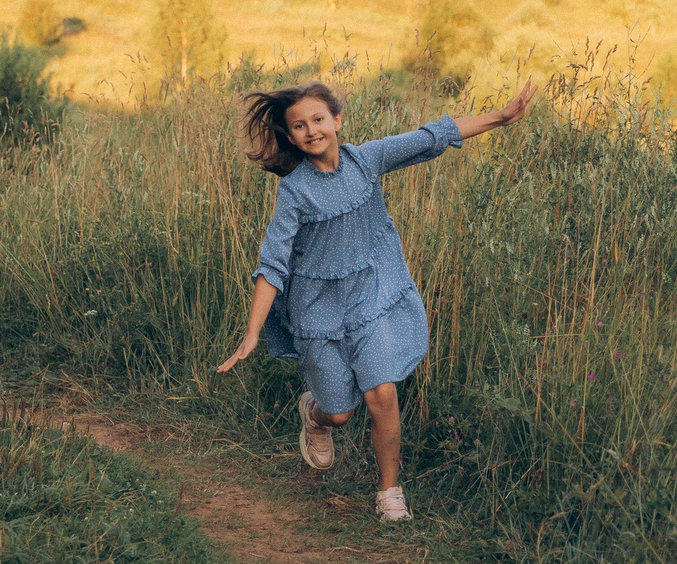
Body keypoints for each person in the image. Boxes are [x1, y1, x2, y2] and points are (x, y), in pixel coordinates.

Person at [215, 78, 535, 520]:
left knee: (381, 393)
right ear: (290, 136)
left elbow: (432, 136)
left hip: (370, 298)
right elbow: (272, 263)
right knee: (341, 412)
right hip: (317, 312)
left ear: (337, 120)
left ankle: (389, 493)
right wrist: (252, 334)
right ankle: (316, 414)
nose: (311, 131)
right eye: (299, 126)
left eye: (318, 120)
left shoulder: (366, 160)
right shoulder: (294, 191)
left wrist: (500, 117)